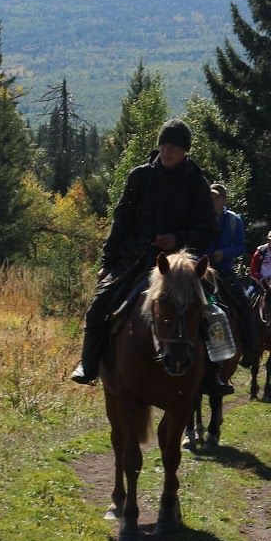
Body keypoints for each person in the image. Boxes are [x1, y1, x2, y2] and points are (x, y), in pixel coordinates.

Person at [70, 118, 229, 394]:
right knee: (99, 305)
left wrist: (177, 239)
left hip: (179, 263)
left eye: (175, 148)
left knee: (212, 311)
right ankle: (89, 363)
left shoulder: (197, 183)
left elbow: (207, 230)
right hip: (135, 257)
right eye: (165, 145)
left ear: (185, 152)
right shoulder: (139, 176)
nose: (168, 152)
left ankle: (212, 374)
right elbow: (121, 221)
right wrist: (107, 263)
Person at [207, 183, 259, 367]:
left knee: (244, 304)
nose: (212, 201)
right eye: (210, 197)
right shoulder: (201, 218)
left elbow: (240, 247)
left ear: (224, 199)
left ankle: (250, 350)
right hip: (202, 270)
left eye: (216, 197)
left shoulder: (234, 220)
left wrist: (224, 253)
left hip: (224, 271)